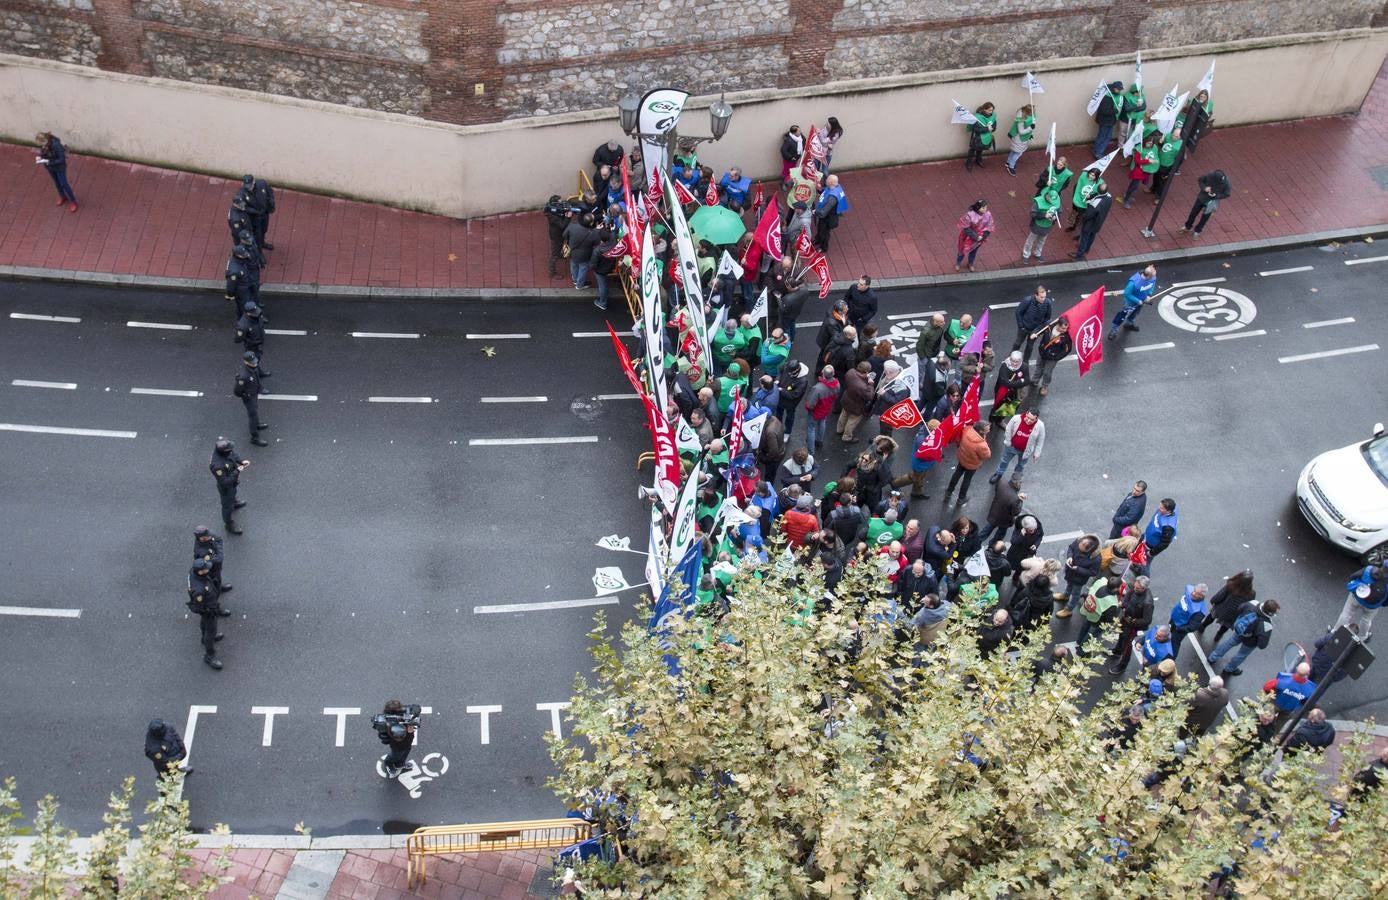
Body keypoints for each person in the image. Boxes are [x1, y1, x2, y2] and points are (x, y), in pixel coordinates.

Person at [1206, 598, 1279, 677]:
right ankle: (1229, 669)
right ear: (1270, 613)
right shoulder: (1266, 625)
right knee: (1241, 654)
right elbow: (1262, 645)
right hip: (1250, 642)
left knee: (1229, 643)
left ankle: (1212, 657)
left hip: (1240, 631)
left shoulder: (1253, 603)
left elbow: (1240, 608)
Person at [186, 556, 230, 669]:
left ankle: (204, 638)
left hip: (209, 606)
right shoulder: (199, 590)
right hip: (209, 611)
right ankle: (209, 656)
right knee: (211, 630)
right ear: (200, 571)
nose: (208, 570)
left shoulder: (193, 573)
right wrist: (209, 611)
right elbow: (199, 606)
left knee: (204, 624)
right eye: (206, 569)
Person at [1108, 575, 1154, 675]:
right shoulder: (1134, 589)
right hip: (1125, 618)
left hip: (1133, 626)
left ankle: (1122, 665)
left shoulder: (1147, 602)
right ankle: (1117, 651)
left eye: (1137, 588)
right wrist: (1124, 606)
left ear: (1144, 588)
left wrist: (1133, 621)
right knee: (1121, 635)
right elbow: (1128, 597)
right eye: (1134, 586)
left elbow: (1147, 620)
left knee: (1127, 645)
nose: (1134, 589)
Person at [1202, 570, 1257, 643]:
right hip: (1234, 615)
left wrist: (1213, 601)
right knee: (1225, 627)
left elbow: (1220, 596)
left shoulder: (1231, 585)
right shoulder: (1252, 593)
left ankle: (1202, 627)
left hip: (1220, 609)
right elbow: (1248, 605)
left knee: (1210, 617)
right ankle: (1218, 636)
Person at [373, 699, 422, 777]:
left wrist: (413, 714)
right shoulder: (390, 725)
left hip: (407, 743)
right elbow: (400, 739)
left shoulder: (403, 711)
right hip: (398, 745)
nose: (402, 708)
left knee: (405, 752)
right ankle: (388, 764)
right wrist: (408, 730)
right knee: (395, 755)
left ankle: (400, 764)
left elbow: (416, 708)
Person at [991, 410, 1044, 482]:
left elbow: (1040, 440)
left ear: (1036, 418)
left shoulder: (1040, 425)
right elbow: (1008, 430)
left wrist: (1037, 453)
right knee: (1004, 461)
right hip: (1011, 447)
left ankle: (1015, 480)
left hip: (1025, 451)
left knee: (1021, 466)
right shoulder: (1016, 418)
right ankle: (999, 474)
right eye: (1028, 417)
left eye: (1032, 419)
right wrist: (1008, 442)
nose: (1028, 421)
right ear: (1026, 413)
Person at [210, 439, 250, 534]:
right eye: (229, 449)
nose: (231, 450)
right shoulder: (217, 466)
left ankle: (234, 503)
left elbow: (233, 455)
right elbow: (224, 482)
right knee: (227, 506)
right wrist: (238, 471)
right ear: (223, 452)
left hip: (232, 483)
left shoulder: (225, 452)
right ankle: (228, 524)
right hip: (226, 488)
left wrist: (241, 461)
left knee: (234, 492)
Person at [945, 422, 991, 505]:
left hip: (962, 457)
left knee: (957, 474)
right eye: (987, 429)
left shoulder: (967, 430)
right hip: (972, 464)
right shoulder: (981, 444)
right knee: (967, 479)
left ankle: (948, 491)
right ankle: (961, 498)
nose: (989, 430)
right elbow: (987, 456)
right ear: (981, 431)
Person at [1056, 534, 1102, 618]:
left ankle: (1069, 609)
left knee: (1075, 594)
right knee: (1069, 584)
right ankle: (1065, 595)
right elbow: (1071, 548)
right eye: (1079, 545)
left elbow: (1093, 572)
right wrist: (1069, 557)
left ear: (1089, 550)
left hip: (1079, 579)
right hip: (1070, 572)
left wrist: (1078, 569)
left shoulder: (1096, 558)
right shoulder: (1080, 540)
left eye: (1082, 550)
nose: (1079, 548)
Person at [1336, 563, 1388, 636]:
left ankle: (1335, 632)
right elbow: (1386, 603)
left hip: (1356, 597)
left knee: (1346, 614)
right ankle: (1362, 638)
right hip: (1371, 606)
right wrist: (1378, 604)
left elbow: (1353, 576)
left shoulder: (1369, 569)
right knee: (1366, 620)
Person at [1108, 264, 1158, 338]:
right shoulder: (1134, 282)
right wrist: (1137, 301)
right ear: (1147, 276)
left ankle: (1129, 324)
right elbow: (1127, 293)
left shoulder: (1152, 278)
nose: (1154, 277)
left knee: (1134, 314)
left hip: (1141, 301)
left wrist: (1149, 295)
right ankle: (1113, 331)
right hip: (1130, 304)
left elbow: (1152, 285)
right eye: (1152, 277)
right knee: (1121, 317)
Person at [1075, 575, 1121, 655]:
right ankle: (1081, 651)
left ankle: (1079, 641)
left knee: (1085, 627)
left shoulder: (1100, 582)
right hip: (1098, 621)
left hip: (1090, 612)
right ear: (1116, 588)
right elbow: (1111, 618)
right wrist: (1118, 606)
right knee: (1091, 636)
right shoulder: (1111, 602)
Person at [233, 352, 270, 447]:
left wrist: (260, 389)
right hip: (248, 397)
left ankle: (257, 425)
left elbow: (257, 380)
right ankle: (254, 437)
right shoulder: (243, 376)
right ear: (246, 362)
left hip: (253, 394)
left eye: (254, 361)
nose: (255, 363)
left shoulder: (253, 368)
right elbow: (237, 391)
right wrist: (246, 396)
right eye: (252, 362)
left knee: (255, 410)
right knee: (252, 416)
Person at [1181, 169, 1230, 238]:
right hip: (1202, 198)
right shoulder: (1210, 175)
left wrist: (1216, 195)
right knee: (1193, 213)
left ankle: (1197, 231)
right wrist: (1204, 188)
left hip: (1212, 202)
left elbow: (1227, 194)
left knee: (1205, 217)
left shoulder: (1225, 182)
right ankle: (1187, 226)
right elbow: (1200, 180)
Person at [1070, 180, 1112, 262]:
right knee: (1092, 236)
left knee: (1084, 238)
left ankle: (1080, 254)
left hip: (1090, 223)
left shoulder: (1096, 202)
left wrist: (1088, 203)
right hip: (1098, 222)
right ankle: (1087, 249)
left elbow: (1089, 214)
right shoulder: (1109, 197)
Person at [35, 132, 78, 211]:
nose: (42, 146)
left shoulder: (56, 145)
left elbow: (61, 159)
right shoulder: (45, 145)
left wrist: (49, 162)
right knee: (57, 183)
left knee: (64, 184)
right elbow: (43, 152)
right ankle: (63, 196)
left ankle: (73, 201)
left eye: (42, 144)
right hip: (50, 168)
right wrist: (39, 156)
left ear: (46, 141)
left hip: (59, 168)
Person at [803, 365, 839, 457]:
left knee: (811, 429)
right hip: (826, 409)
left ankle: (811, 451)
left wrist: (808, 408)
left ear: (823, 373)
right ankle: (819, 440)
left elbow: (810, 405)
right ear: (833, 374)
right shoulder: (837, 384)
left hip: (816, 411)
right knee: (822, 422)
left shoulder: (818, 388)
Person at [980, 475, 1024, 547]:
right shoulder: (1015, 499)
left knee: (987, 529)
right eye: (1020, 482)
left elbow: (997, 490)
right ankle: (993, 546)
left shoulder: (1002, 482)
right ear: (1017, 483)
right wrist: (1020, 500)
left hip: (995, 512)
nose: (1021, 484)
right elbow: (1015, 512)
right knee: (1000, 534)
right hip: (1005, 520)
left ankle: (978, 541)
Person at [1032, 319, 1072, 397]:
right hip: (1042, 352)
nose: (1065, 330)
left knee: (1047, 372)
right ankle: (1034, 380)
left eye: (1066, 328)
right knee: (1039, 367)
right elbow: (1040, 328)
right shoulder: (1049, 326)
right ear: (1058, 325)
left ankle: (1045, 386)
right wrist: (1034, 333)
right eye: (1063, 328)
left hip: (1052, 358)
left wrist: (1056, 357)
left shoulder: (1066, 336)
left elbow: (1067, 350)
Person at [837, 362, 874, 444]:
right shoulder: (862, 386)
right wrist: (870, 384)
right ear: (866, 372)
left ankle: (839, 429)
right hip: (857, 405)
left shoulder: (851, 372)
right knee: (852, 420)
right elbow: (869, 396)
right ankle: (847, 436)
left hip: (846, 399)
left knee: (844, 414)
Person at [1021, 186, 1060, 263]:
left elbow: (1059, 212)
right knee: (1031, 240)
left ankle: (1037, 253)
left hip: (1047, 226)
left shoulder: (1056, 200)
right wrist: (1044, 215)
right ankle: (1026, 254)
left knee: (1042, 240)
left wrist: (1055, 217)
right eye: (1051, 199)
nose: (1052, 202)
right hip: (1037, 225)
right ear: (1047, 195)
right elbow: (1033, 214)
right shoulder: (1038, 201)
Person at [1012, 285, 1052, 360]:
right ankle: (1012, 358)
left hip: (1035, 330)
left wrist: (1037, 331)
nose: (1043, 299)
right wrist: (1021, 327)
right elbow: (1018, 312)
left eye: (1044, 297)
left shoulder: (1048, 303)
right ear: (1036, 295)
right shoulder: (1028, 301)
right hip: (1024, 328)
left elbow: (1047, 319)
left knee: (1030, 347)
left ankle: (1025, 362)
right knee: (1017, 344)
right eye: (1041, 297)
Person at [1121, 133, 1159, 208]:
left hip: (1144, 171)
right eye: (1148, 143)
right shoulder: (1139, 149)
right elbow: (1137, 161)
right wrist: (1148, 161)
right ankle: (1126, 200)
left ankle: (1128, 195)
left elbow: (1155, 155)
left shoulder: (1154, 147)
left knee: (1134, 185)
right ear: (1144, 142)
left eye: (1151, 143)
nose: (1150, 145)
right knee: (1134, 186)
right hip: (1138, 171)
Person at [812, 174, 848, 252]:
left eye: (827, 179)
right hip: (828, 215)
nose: (826, 180)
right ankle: (818, 239)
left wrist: (815, 211)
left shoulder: (832, 198)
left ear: (831, 182)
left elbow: (824, 211)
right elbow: (825, 192)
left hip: (828, 218)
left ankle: (823, 247)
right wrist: (819, 190)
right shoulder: (834, 188)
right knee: (820, 229)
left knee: (824, 232)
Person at [562, 215, 598, 290]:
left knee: (573, 265)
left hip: (573, 251)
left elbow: (564, 235)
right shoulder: (593, 233)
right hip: (585, 255)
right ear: (591, 223)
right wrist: (596, 230)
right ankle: (579, 285)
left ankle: (575, 280)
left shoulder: (572, 226)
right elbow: (597, 242)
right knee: (583, 269)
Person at [193, 525, 233, 594]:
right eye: (208, 536)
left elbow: (218, 538)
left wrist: (217, 550)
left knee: (218, 578)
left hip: (214, 566)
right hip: (210, 568)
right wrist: (218, 550)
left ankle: (218, 587)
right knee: (213, 581)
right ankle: (216, 593)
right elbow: (219, 559)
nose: (211, 536)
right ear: (202, 538)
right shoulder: (202, 551)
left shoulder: (207, 535)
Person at [1168, 583, 1209, 647]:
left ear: (1202, 596)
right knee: (1169, 633)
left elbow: (1193, 627)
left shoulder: (1200, 611)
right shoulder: (1189, 589)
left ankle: (1171, 656)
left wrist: (1179, 628)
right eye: (1194, 590)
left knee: (1175, 643)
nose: (1193, 593)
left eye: (1197, 593)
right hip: (1173, 619)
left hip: (1179, 628)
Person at [1141, 498, 1178, 569]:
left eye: (1161, 508)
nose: (1159, 508)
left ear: (1168, 511)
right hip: (1147, 537)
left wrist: (1152, 553)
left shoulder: (1168, 527)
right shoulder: (1168, 510)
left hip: (1150, 546)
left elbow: (1164, 543)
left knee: (1145, 563)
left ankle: (1144, 577)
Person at [776, 361, 810, 436]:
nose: (789, 375)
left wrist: (781, 390)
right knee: (778, 414)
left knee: (789, 418)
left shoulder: (802, 381)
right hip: (780, 398)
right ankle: (777, 428)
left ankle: (787, 432)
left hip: (791, 403)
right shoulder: (787, 366)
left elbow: (794, 395)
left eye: (791, 374)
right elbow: (780, 372)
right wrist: (778, 380)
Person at [1091, 81, 1123, 158]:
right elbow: (1104, 110)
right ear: (1114, 88)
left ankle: (1096, 150)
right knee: (1105, 137)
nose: (1119, 91)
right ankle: (1098, 153)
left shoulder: (1108, 95)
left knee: (1101, 136)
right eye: (1118, 89)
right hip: (1106, 121)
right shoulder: (1107, 97)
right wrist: (1116, 110)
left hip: (1108, 121)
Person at [1150, 129, 1183, 198]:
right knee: (1155, 176)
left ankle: (1159, 197)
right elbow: (1161, 145)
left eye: (1176, 136)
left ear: (1180, 137)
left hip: (1167, 166)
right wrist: (1160, 142)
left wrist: (1170, 172)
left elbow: (1179, 161)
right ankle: (1153, 189)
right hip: (1159, 161)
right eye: (1173, 135)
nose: (1173, 137)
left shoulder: (1180, 147)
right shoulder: (1168, 136)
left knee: (1161, 182)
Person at [1064, 167, 1101, 232]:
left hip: (1085, 205)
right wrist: (1075, 198)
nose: (1091, 176)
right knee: (1074, 214)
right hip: (1077, 201)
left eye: (1093, 175)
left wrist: (1090, 196)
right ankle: (1072, 226)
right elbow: (1076, 187)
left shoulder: (1098, 184)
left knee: (1081, 217)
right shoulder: (1083, 177)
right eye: (1090, 174)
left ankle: (1078, 230)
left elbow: (1097, 193)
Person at [1180, 89, 1215, 155]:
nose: (1202, 98)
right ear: (1199, 96)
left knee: (1192, 137)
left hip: (1197, 124)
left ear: (1207, 98)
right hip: (1189, 122)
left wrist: (1208, 115)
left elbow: (1210, 112)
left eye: (1204, 97)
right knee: (1184, 136)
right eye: (1201, 96)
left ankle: (1185, 150)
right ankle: (1182, 150)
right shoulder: (1193, 101)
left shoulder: (1209, 104)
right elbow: (1186, 110)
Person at [964, 102, 997, 171]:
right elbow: (976, 129)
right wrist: (987, 128)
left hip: (986, 137)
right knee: (972, 149)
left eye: (992, 110)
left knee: (981, 148)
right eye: (989, 110)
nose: (991, 112)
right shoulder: (977, 117)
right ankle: (969, 162)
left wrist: (992, 128)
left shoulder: (993, 116)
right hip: (977, 137)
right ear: (984, 109)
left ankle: (978, 160)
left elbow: (994, 125)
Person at [234, 303, 267, 371]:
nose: (257, 313)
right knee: (253, 360)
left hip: (258, 343)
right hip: (252, 346)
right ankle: (253, 373)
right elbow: (238, 339)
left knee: (258, 358)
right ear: (248, 313)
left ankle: (258, 371)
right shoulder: (243, 325)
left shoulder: (256, 315)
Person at [1004, 105, 1035, 176]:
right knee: (1018, 153)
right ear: (1028, 112)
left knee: (1014, 151)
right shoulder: (1021, 120)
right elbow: (1021, 131)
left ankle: (1008, 162)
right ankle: (1011, 166)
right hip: (1019, 139)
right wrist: (1030, 128)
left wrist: (1030, 134)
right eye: (1032, 112)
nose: (1033, 113)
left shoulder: (1025, 114)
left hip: (1022, 138)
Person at [250, 179, 277, 250]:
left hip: (264, 213)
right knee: (256, 232)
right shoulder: (244, 192)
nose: (250, 187)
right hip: (255, 216)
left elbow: (270, 191)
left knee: (264, 229)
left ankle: (262, 243)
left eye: (251, 184)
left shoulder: (262, 184)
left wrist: (271, 200)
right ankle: (256, 248)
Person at [1118, 82, 1147, 147]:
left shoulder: (1141, 96)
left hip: (1135, 120)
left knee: (1131, 133)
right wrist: (1137, 105)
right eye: (1138, 92)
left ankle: (1128, 146)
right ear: (1134, 92)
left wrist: (1134, 108)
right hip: (1125, 119)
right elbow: (1127, 109)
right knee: (1123, 133)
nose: (1140, 94)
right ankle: (1120, 146)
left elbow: (1144, 106)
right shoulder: (1126, 97)